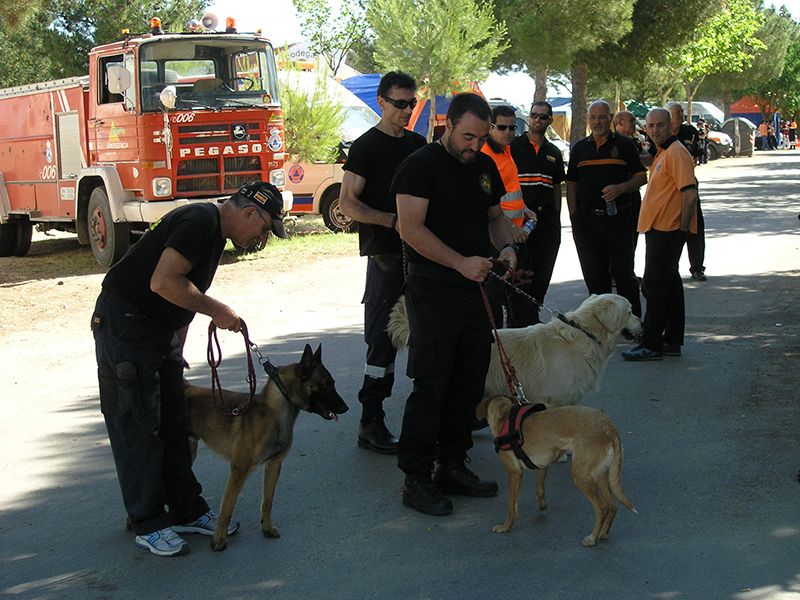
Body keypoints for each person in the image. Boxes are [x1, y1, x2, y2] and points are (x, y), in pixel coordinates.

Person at [92, 181, 288, 556]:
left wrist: (175, 353)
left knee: (175, 420)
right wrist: (219, 310)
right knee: (139, 423)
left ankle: (185, 509)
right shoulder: (200, 221)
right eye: (264, 228)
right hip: (126, 324)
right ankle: (147, 521)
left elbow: (182, 294)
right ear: (250, 213)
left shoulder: (214, 232)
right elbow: (163, 281)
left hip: (156, 329)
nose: (262, 237)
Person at [393, 92, 518, 516]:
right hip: (433, 292)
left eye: (482, 138)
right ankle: (416, 476)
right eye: (468, 136)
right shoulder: (420, 167)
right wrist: (459, 262)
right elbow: (410, 229)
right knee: (432, 384)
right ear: (447, 126)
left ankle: (452, 463)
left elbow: (495, 217)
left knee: (468, 382)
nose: (475, 146)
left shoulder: (482, 166)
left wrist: (508, 247)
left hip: (476, 289)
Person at [339, 71, 427, 455]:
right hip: (386, 259)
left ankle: (431, 417)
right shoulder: (365, 147)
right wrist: (392, 221)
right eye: (399, 104)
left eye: (411, 103)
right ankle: (370, 422)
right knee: (382, 343)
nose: (406, 111)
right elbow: (347, 203)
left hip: (424, 259)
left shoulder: (419, 144)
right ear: (381, 102)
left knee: (430, 338)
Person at [622, 108, 697, 361]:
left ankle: (651, 343)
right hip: (657, 228)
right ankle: (672, 341)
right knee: (670, 285)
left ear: (671, 127)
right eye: (650, 126)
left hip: (670, 230)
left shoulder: (677, 153)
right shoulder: (663, 152)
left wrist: (683, 230)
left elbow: (689, 194)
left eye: (660, 125)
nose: (654, 130)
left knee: (653, 286)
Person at [566, 100, 646, 316]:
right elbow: (571, 183)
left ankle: (632, 324)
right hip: (587, 222)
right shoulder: (580, 148)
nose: (597, 121)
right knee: (595, 278)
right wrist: (574, 216)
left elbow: (641, 176)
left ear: (610, 118)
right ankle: (601, 326)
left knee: (624, 276)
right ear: (588, 120)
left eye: (602, 117)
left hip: (619, 220)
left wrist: (621, 188)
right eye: (593, 117)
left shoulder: (625, 145)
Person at [507, 100, 566, 325]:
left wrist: (557, 221)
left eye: (543, 117)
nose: (538, 120)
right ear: (529, 118)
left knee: (541, 277)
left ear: (550, 120)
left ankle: (531, 320)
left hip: (547, 226)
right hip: (520, 225)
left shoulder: (553, 152)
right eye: (534, 115)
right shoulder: (513, 147)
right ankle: (519, 325)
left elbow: (556, 189)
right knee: (520, 278)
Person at [480, 104, 528, 326]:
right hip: (495, 237)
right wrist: (511, 228)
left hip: (511, 238)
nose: (508, 132)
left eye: (512, 127)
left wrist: (525, 209)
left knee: (504, 295)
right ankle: (494, 347)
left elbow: (510, 190)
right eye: (502, 127)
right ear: (490, 127)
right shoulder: (486, 156)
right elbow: (489, 204)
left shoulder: (506, 152)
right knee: (493, 297)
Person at [666, 102, 706, 281]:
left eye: (681, 111)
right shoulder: (660, 132)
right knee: (666, 228)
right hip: (667, 188)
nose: (681, 115)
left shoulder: (690, 131)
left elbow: (696, 155)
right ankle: (667, 268)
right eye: (677, 112)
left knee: (694, 226)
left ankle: (697, 267)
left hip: (688, 182)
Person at [613, 110, 644, 251]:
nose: (634, 123)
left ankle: (629, 270)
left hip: (633, 193)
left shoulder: (634, 142)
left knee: (633, 232)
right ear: (619, 123)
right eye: (631, 120)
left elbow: (647, 159)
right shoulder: (612, 142)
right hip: (616, 197)